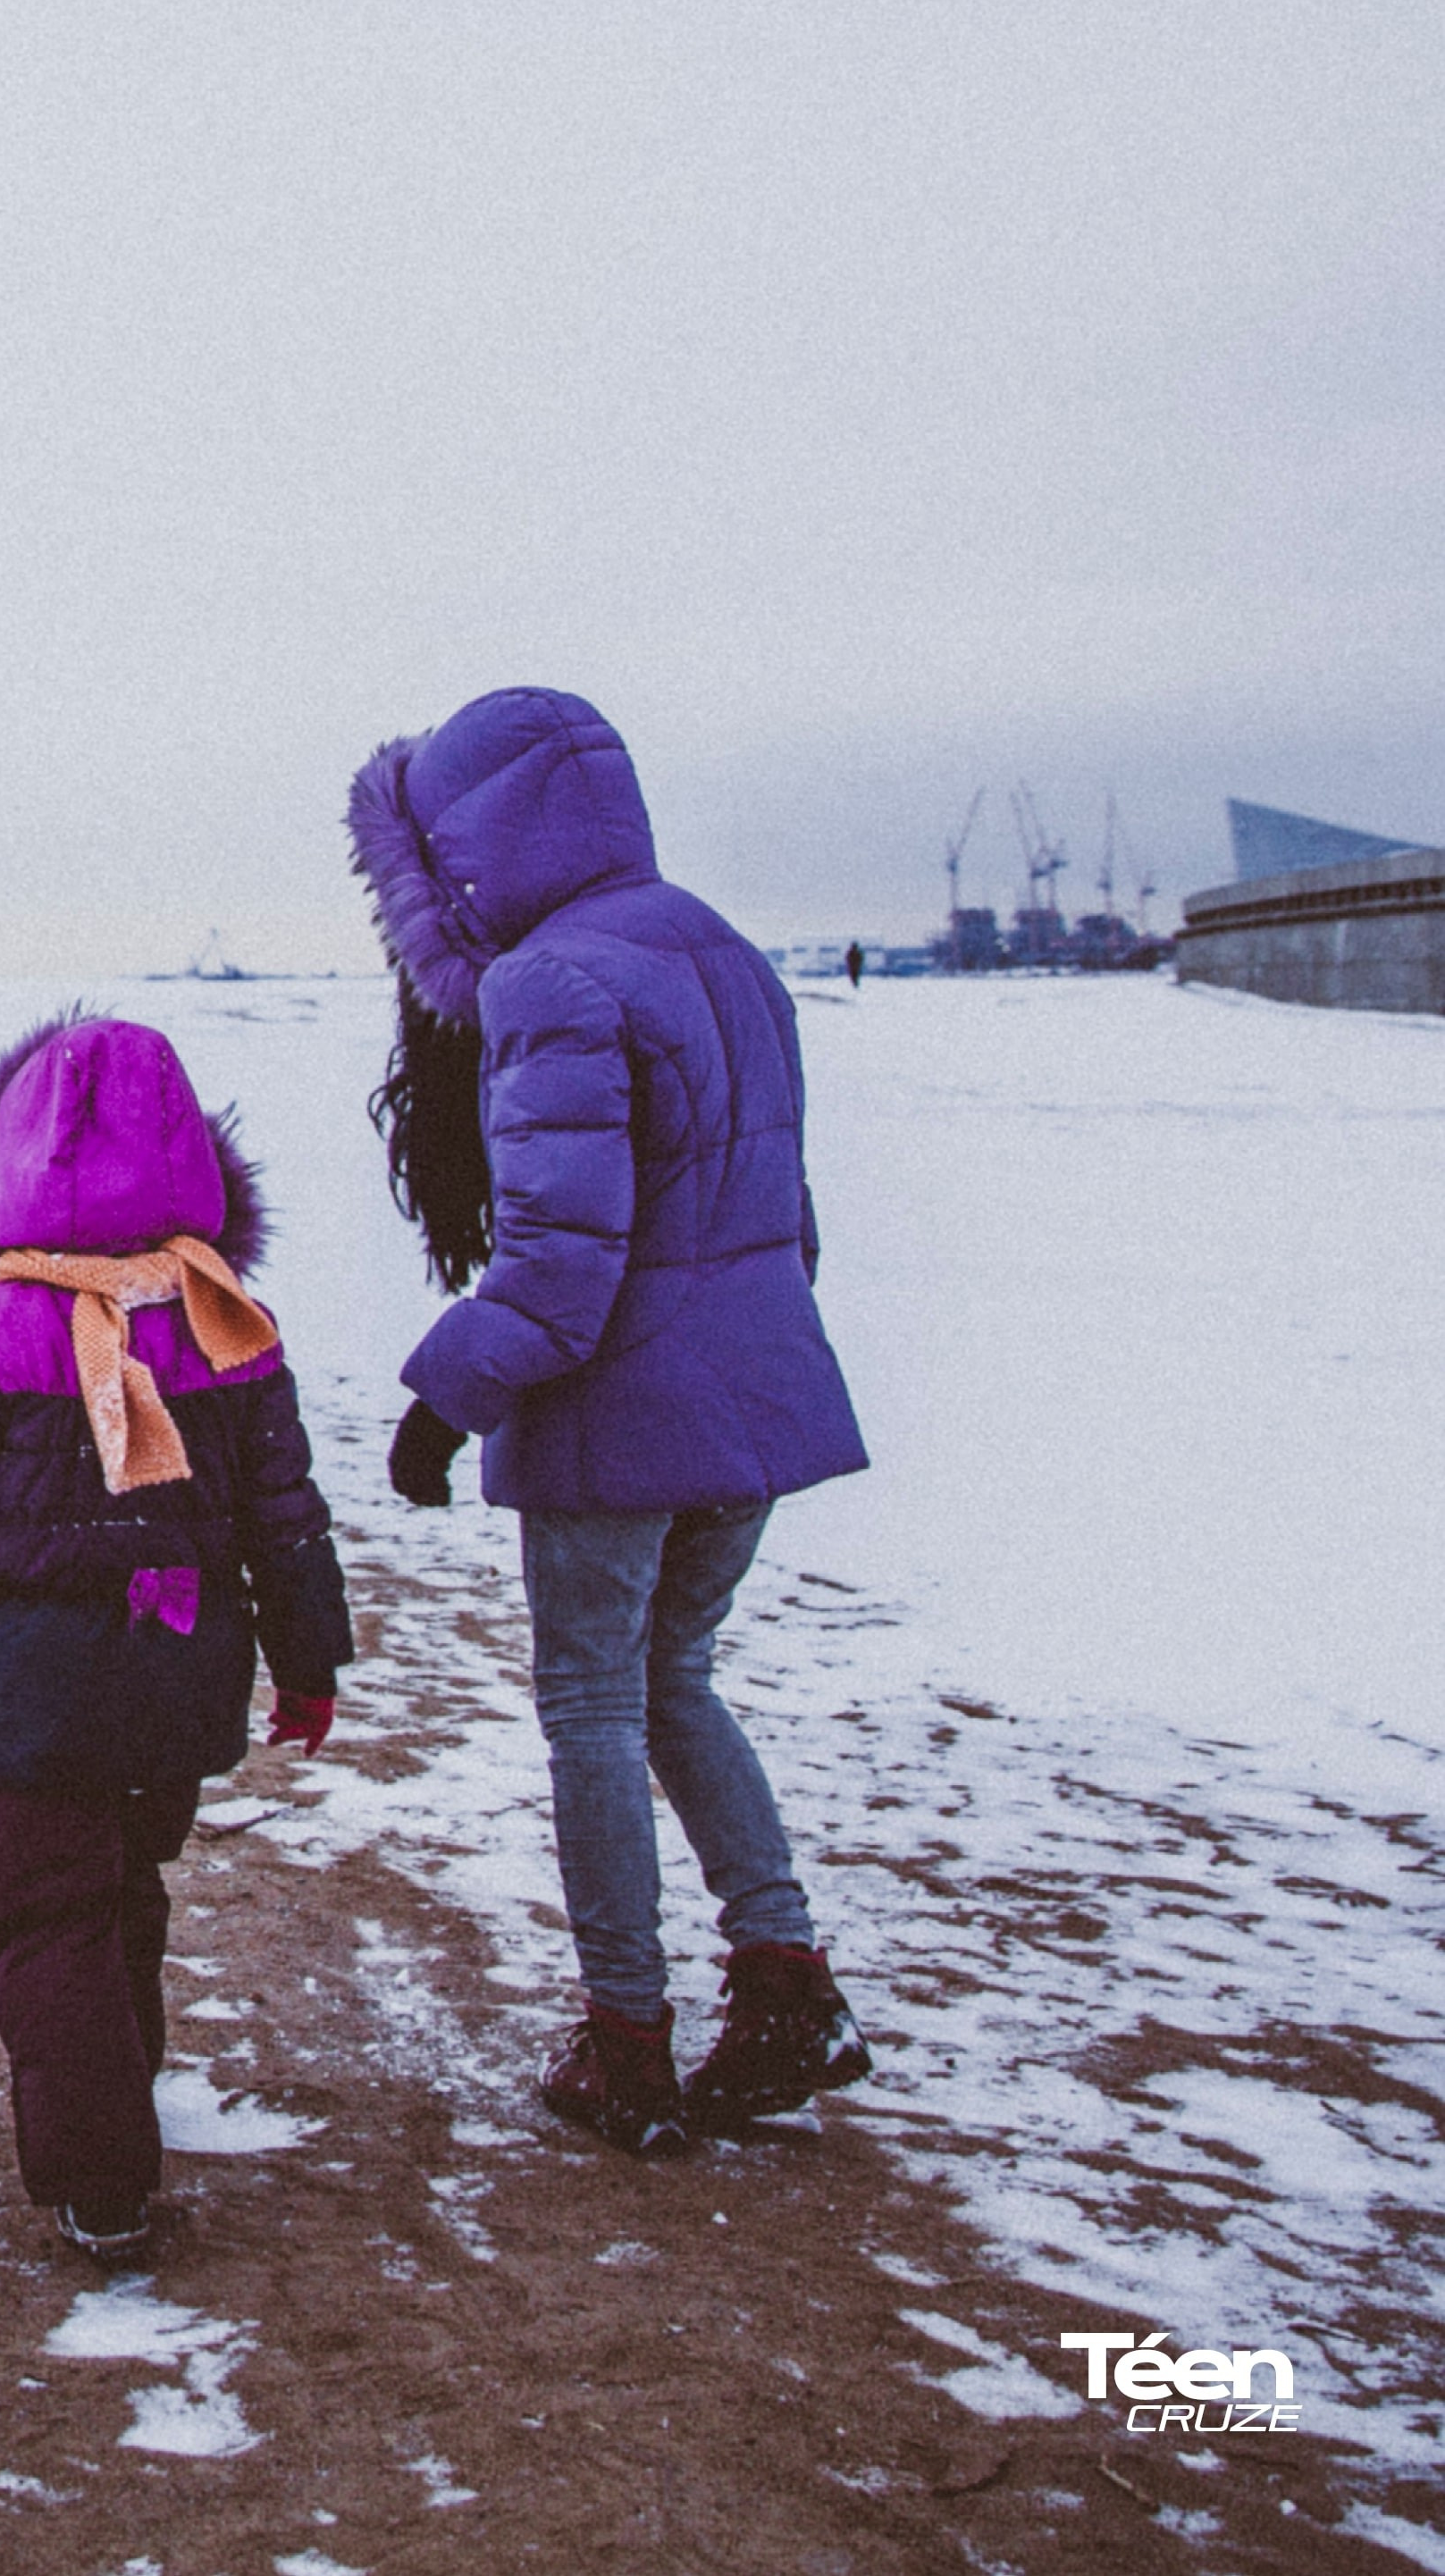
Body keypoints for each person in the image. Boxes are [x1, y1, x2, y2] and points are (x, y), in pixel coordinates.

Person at [349, 688, 872, 2157]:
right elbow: (785, 1213)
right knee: (677, 1684)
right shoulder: (725, 952)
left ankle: (624, 2036)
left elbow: (561, 1263)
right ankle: (784, 1983)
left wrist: (443, 1398)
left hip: (620, 1413)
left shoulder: (548, 982)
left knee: (592, 1703)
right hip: (755, 1396)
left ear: (472, 848)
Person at [0, 1015, 352, 2261]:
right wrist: (307, 1663)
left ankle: (101, 2175)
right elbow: (284, 1518)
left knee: (36, 1915)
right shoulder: (226, 1322)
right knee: (120, 1892)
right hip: (173, 1678)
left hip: (24, 1700)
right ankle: (117, 2102)